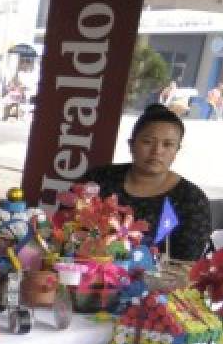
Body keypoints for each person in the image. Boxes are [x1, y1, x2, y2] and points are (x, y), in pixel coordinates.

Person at [83, 104, 211, 261]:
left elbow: (185, 262)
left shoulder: (191, 199)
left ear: (177, 150)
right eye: (148, 142)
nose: (157, 151)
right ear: (131, 145)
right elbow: (69, 229)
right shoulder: (99, 179)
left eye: (168, 144)